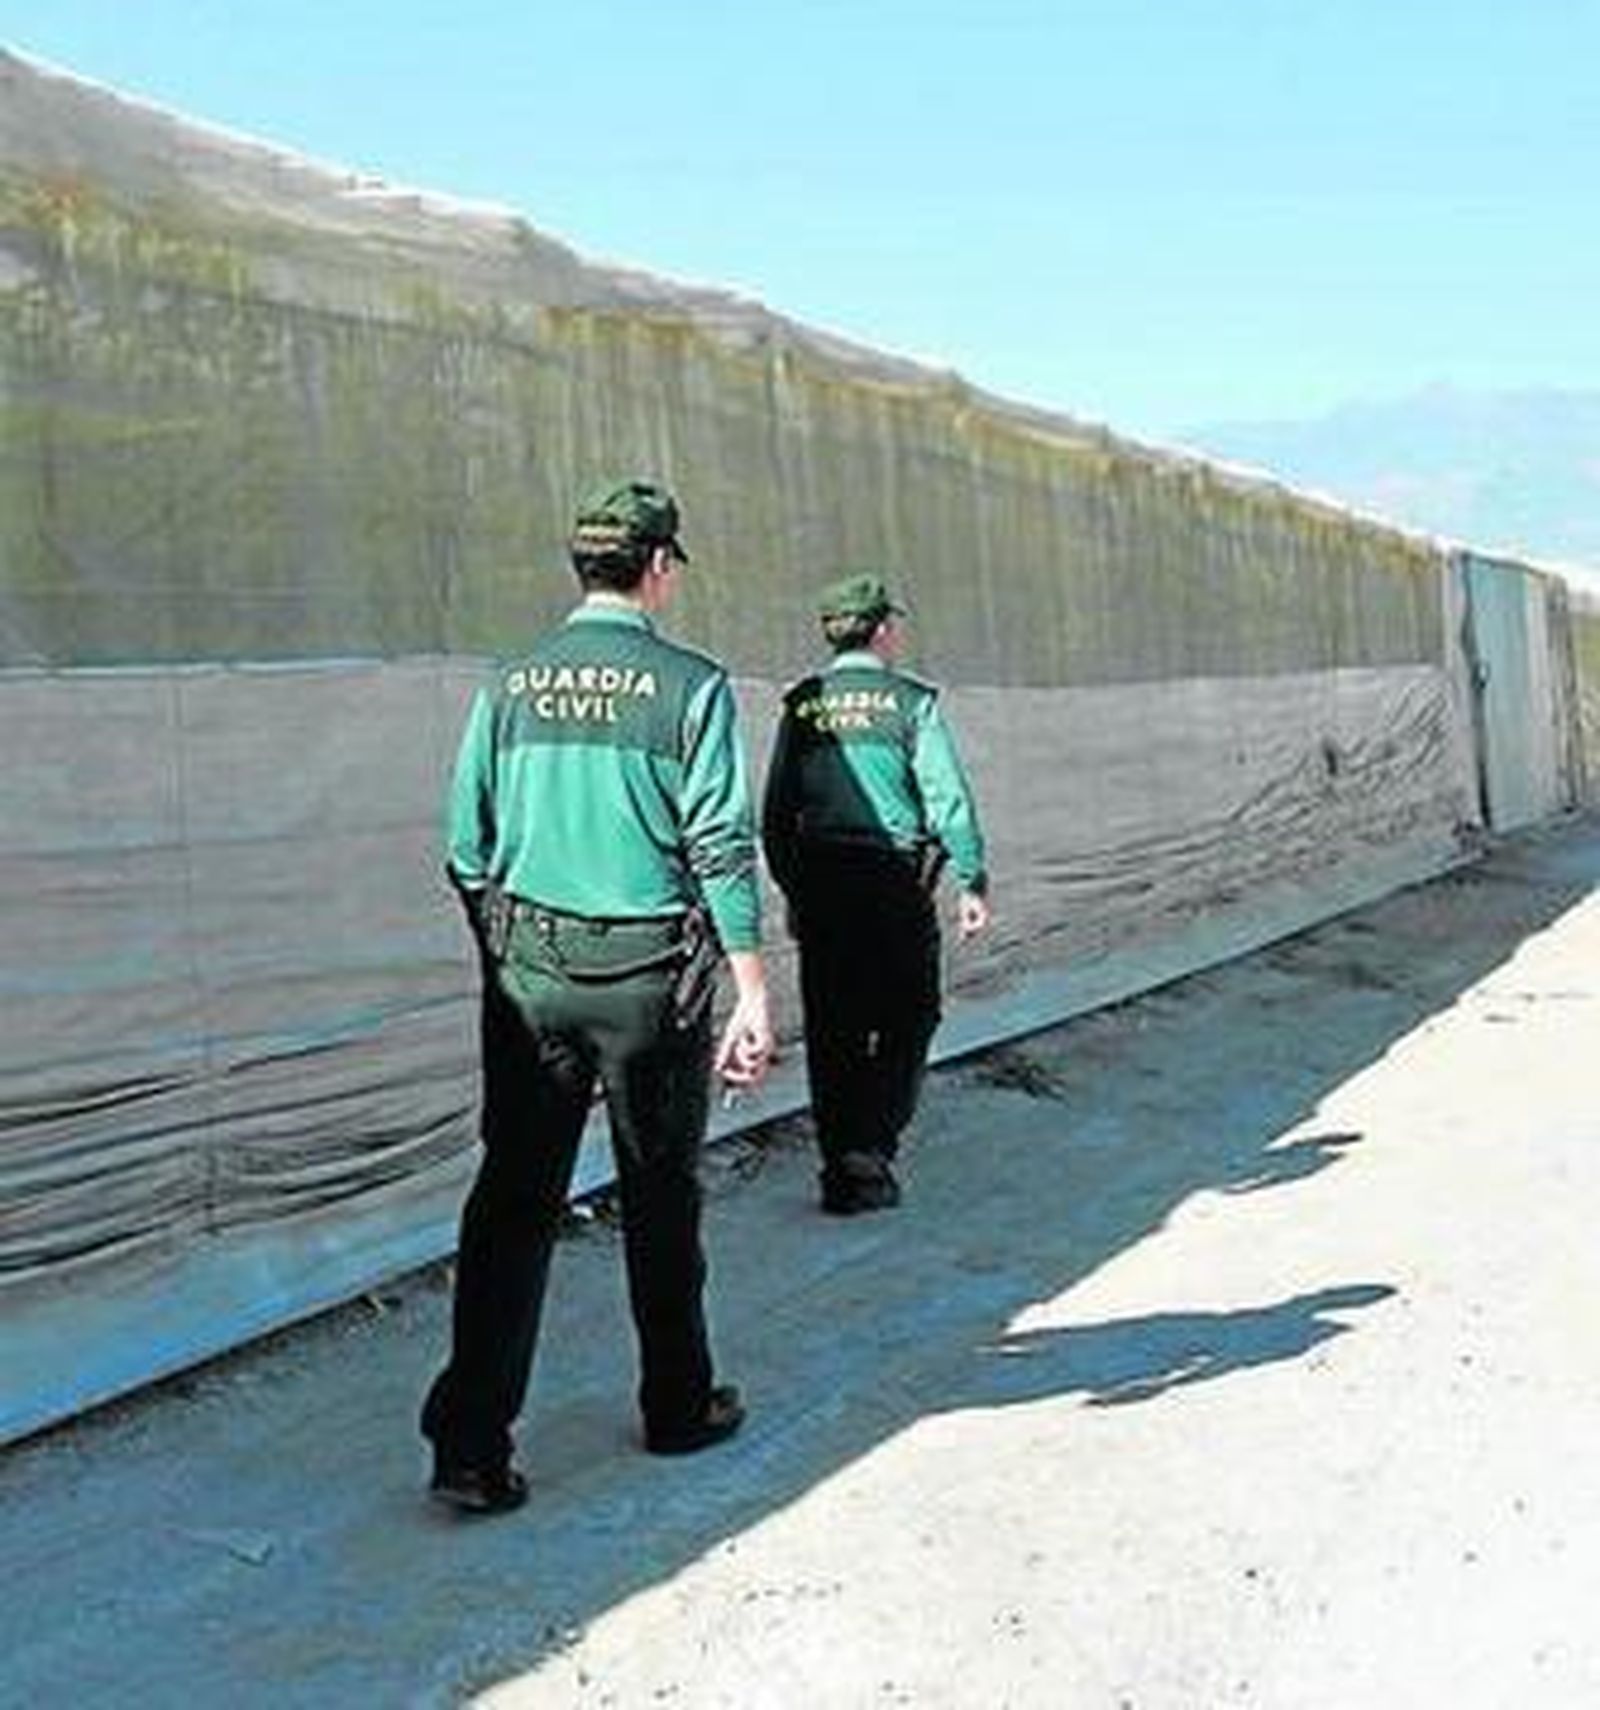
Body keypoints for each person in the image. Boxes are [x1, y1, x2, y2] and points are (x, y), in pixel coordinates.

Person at [420, 478, 772, 1515]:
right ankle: (677, 1404)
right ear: (658, 568)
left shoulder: (510, 683)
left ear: (583, 566)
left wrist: (510, 954)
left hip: (529, 971)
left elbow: (463, 847)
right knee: (660, 1194)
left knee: (512, 1202)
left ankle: (471, 1446)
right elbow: (718, 844)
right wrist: (751, 987)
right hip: (649, 983)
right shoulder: (692, 688)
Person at [761, 572, 990, 1216]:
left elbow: (777, 810)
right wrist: (971, 875)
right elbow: (945, 797)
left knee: (833, 1026)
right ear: (883, 629)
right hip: (893, 880)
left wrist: (794, 885)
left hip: (822, 880)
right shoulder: (912, 703)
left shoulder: (802, 705)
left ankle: (840, 1165)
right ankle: (872, 1145)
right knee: (911, 1014)